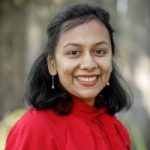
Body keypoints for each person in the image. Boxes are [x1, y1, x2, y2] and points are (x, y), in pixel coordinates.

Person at [5, 3, 132, 150]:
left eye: (100, 51)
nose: (89, 64)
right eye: (73, 53)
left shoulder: (114, 126)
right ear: (52, 64)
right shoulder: (35, 128)